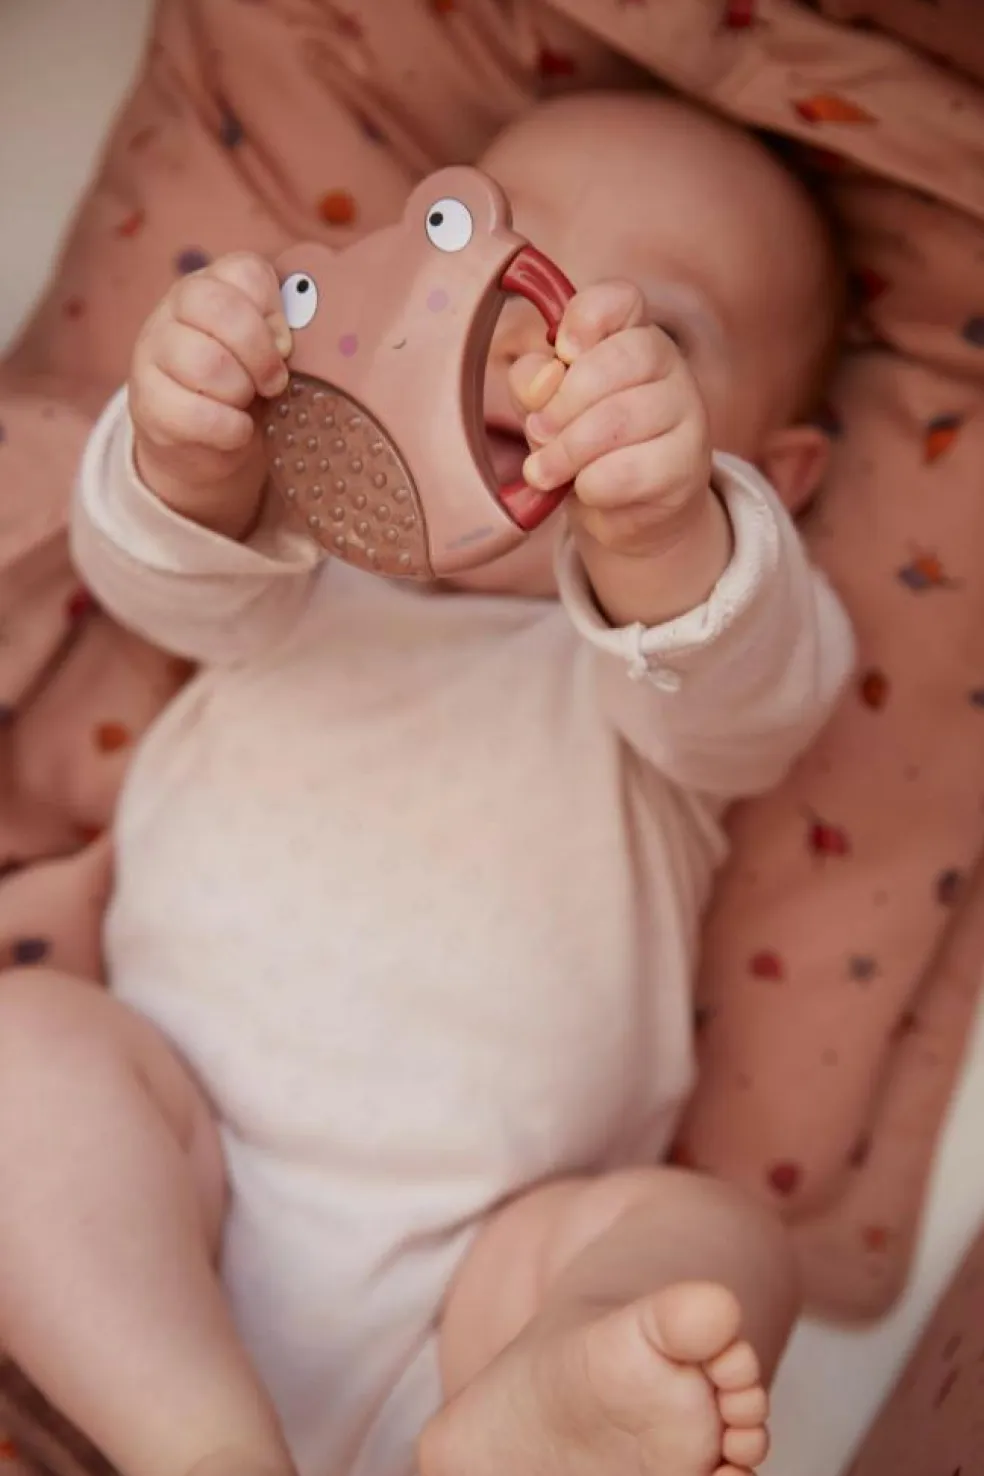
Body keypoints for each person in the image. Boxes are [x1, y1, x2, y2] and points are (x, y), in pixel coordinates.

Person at [0, 90, 854, 1476]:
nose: (538, 342)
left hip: (474, 1301)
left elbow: (754, 678)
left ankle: (533, 1430)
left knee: (720, 1245)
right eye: (498, 258)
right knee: (22, 1052)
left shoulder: (657, 671)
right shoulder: (302, 566)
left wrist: (659, 527)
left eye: (654, 335)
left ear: (781, 475)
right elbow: (157, 578)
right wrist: (192, 457)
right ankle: (198, 1444)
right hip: (165, 1192)